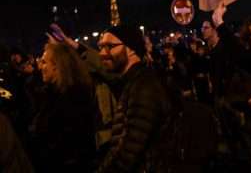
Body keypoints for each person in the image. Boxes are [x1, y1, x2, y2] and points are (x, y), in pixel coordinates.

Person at [96, 25, 174, 173]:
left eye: (110, 46)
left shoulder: (143, 87)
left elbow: (129, 151)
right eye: (101, 46)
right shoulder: (132, 82)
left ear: (131, 49)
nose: (102, 53)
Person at [30, 42, 96, 172]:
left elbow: (67, 143)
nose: (40, 67)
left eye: (44, 62)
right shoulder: (53, 94)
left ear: (57, 66)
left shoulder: (73, 98)